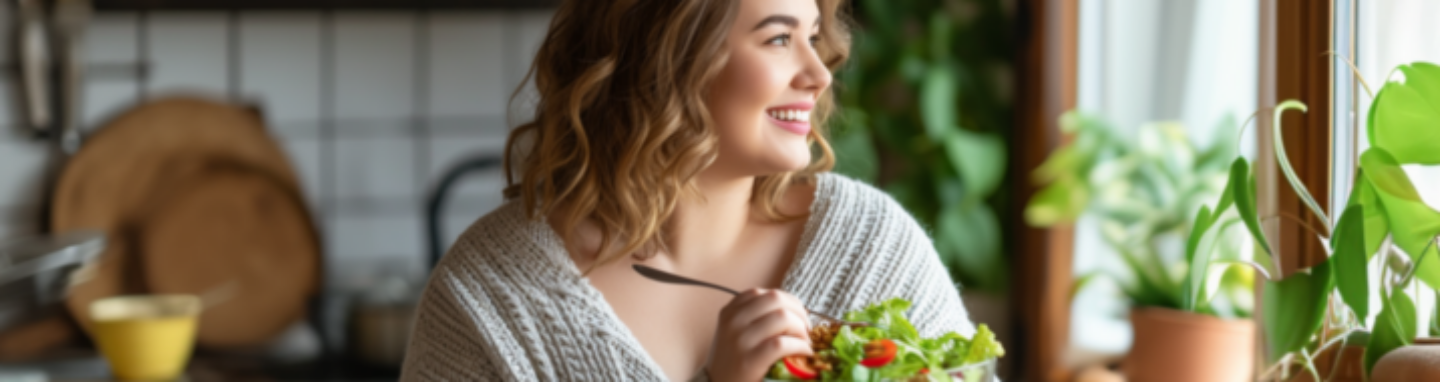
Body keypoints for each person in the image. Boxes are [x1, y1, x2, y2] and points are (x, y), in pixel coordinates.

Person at [399, 0, 977, 380]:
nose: (819, 73)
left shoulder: (873, 250)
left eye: (814, 36)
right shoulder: (488, 302)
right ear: (670, 59)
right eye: (778, 40)